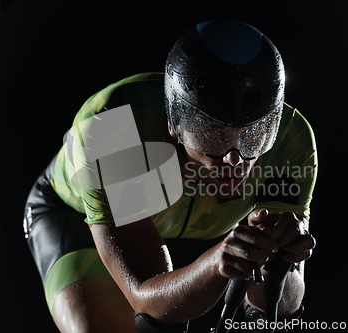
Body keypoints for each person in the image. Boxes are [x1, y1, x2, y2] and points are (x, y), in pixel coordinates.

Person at [24, 19, 317, 333]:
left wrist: (280, 259)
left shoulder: (290, 138)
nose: (235, 157)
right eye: (212, 136)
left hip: (207, 235)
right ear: (174, 122)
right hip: (81, 222)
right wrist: (217, 261)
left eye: (254, 134)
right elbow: (148, 303)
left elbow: (281, 303)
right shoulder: (113, 127)